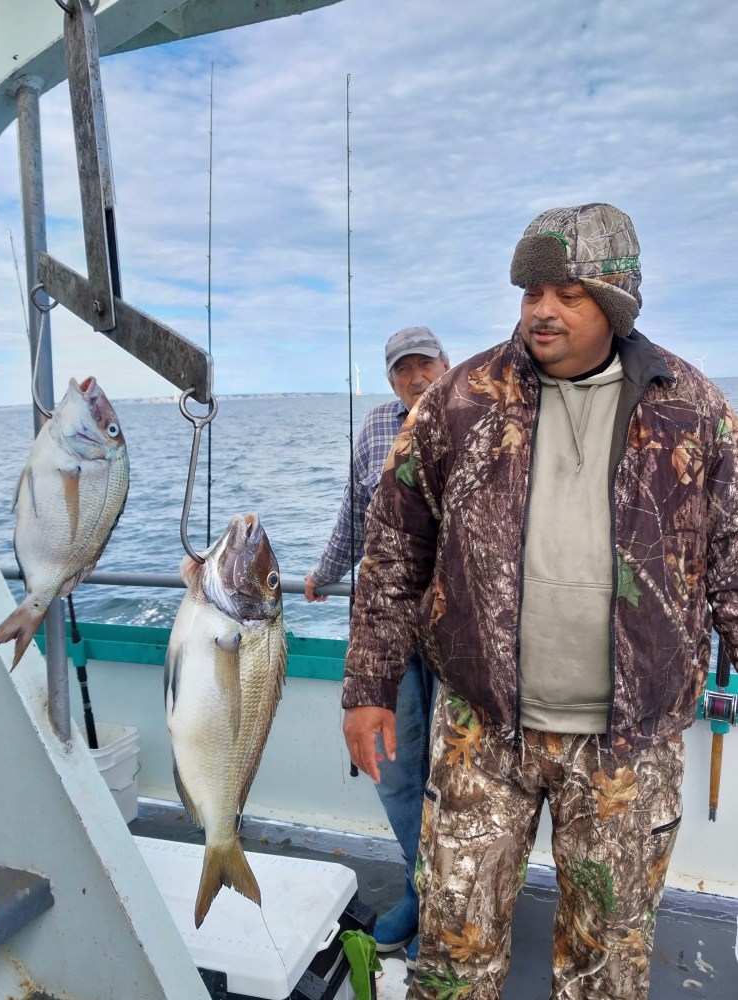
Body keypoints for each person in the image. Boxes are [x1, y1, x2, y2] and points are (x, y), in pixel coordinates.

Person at [341, 203, 738, 1000]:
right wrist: (369, 688)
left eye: (567, 294)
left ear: (617, 303)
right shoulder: (458, 401)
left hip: (629, 747)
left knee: (604, 974)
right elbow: (393, 550)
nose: (542, 311)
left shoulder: (695, 412)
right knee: (452, 962)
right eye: (530, 293)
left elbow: (732, 564)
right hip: (481, 733)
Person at [305, 327, 450, 968]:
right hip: (388, 639)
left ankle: (451, 909)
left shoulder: (476, 416)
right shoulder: (372, 430)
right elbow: (355, 515)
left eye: (425, 365)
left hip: (458, 641)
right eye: (402, 370)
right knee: (395, 774)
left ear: (446, 365)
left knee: (454, 780)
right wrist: (324, 574)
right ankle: (425, 891)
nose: (415, 378)